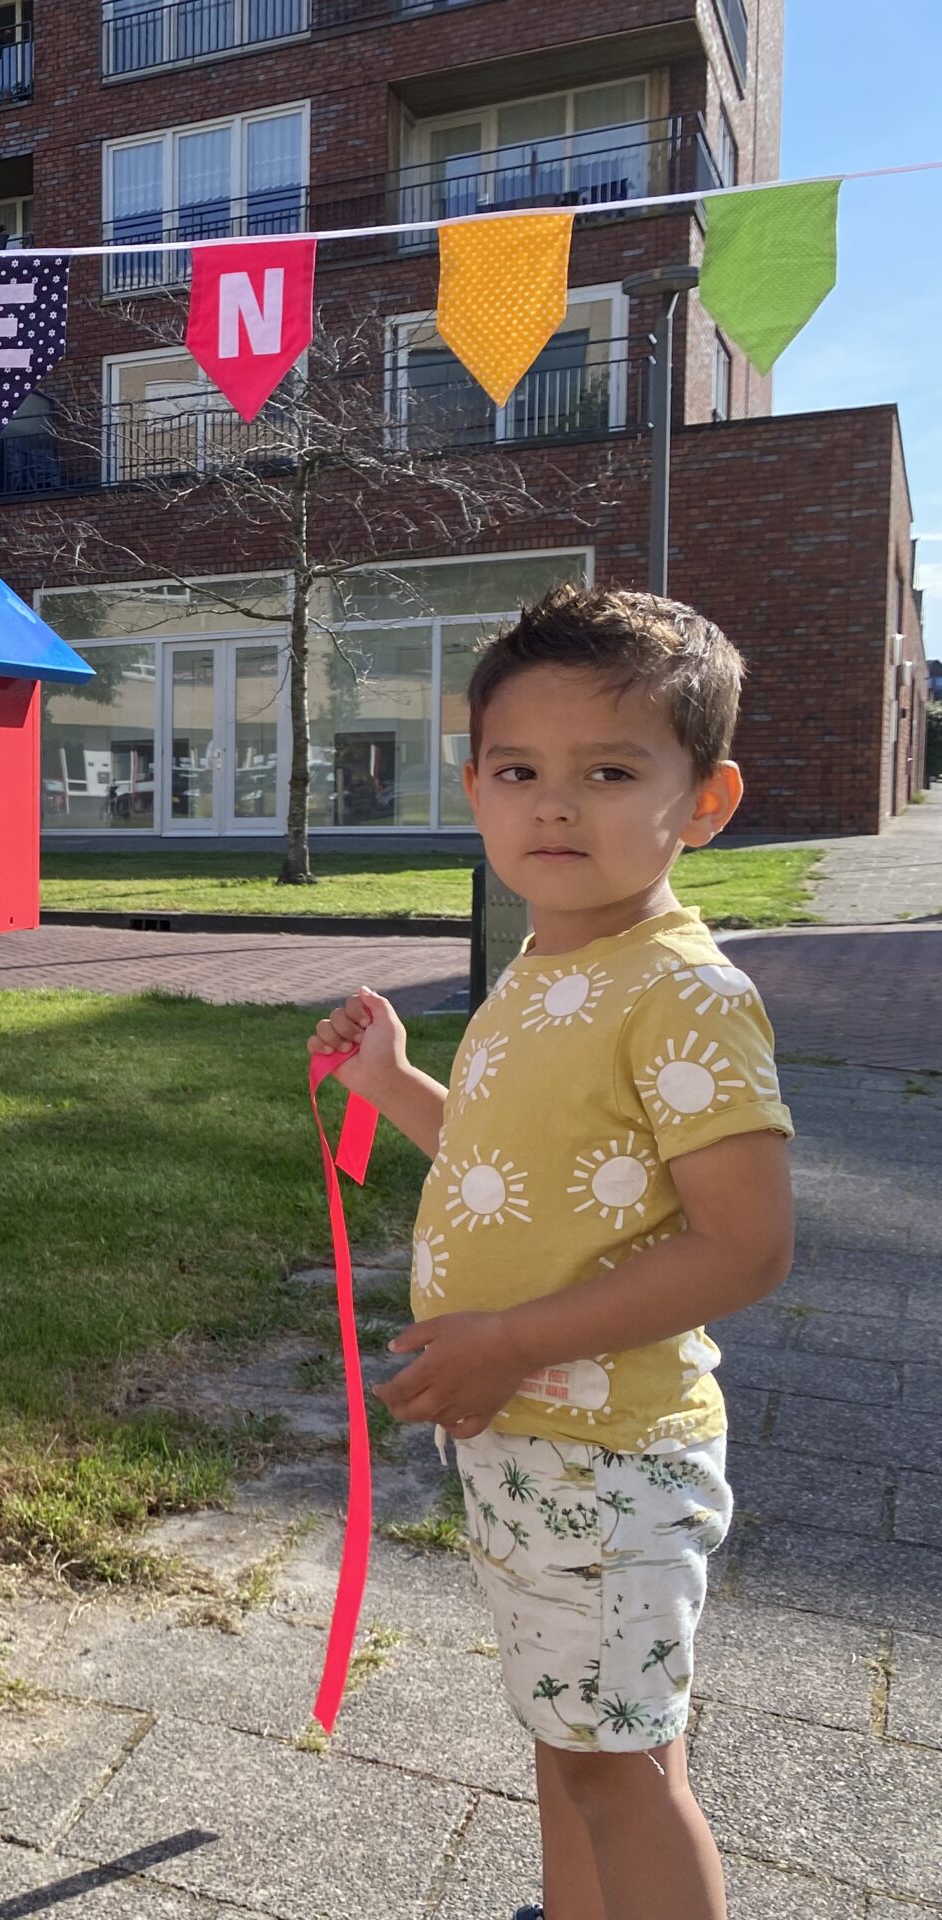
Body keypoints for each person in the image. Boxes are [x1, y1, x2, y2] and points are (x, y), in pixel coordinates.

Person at [310, 587, 794, 1920]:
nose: (556, 806)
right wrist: (394, 1089)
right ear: (475, 786)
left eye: (611, 771)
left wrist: (512, 1342)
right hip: (534, 1444)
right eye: (521, 771)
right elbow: (516, 1163)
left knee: (622, 1770)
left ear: (706, 801)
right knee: (573, 1735)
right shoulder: (548, 963)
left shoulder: (682, 990)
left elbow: (745, 1247)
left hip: (611, 1454)